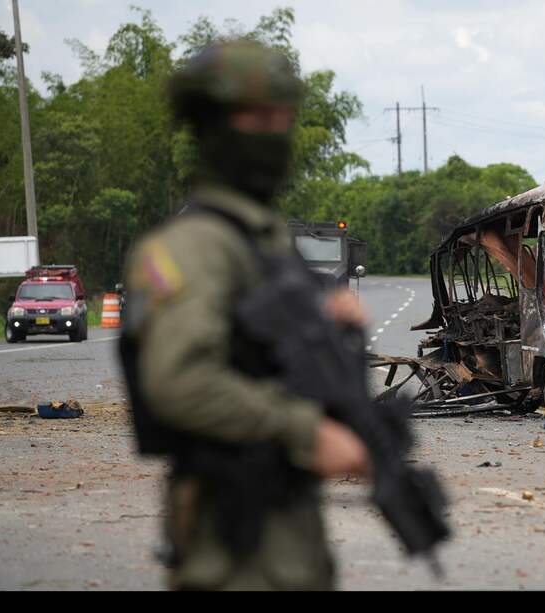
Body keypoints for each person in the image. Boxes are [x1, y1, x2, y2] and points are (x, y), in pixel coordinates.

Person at [120, 40, 369, 590]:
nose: (275, 134)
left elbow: (260, 346)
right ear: (211, 127)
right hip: (230, 540)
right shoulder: (191, 247)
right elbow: (180, 380)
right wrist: (305, 431)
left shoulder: (264, 241)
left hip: (286, 536)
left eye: (283, 119)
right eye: (257, 118)